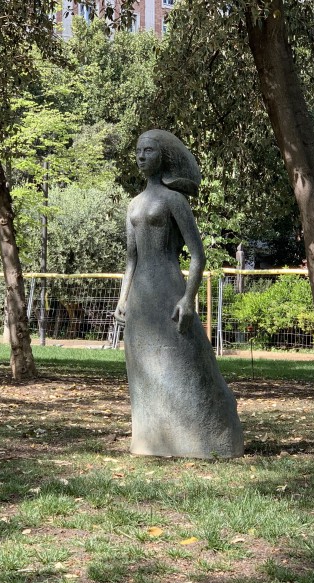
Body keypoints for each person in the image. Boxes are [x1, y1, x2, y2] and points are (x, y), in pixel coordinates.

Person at [114, 130, 243, 458]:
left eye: (149, 151)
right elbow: (131, 259)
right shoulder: (133, 205)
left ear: (164, 156)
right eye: (139, 151)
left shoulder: (174, 201)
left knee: (184, 361)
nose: (142, 156)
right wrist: (121, 299)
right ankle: (151, 437)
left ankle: (209, 437)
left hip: (170, 290)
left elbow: (198, 255)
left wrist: (188, 297)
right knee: (145, 365)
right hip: (141, 297)